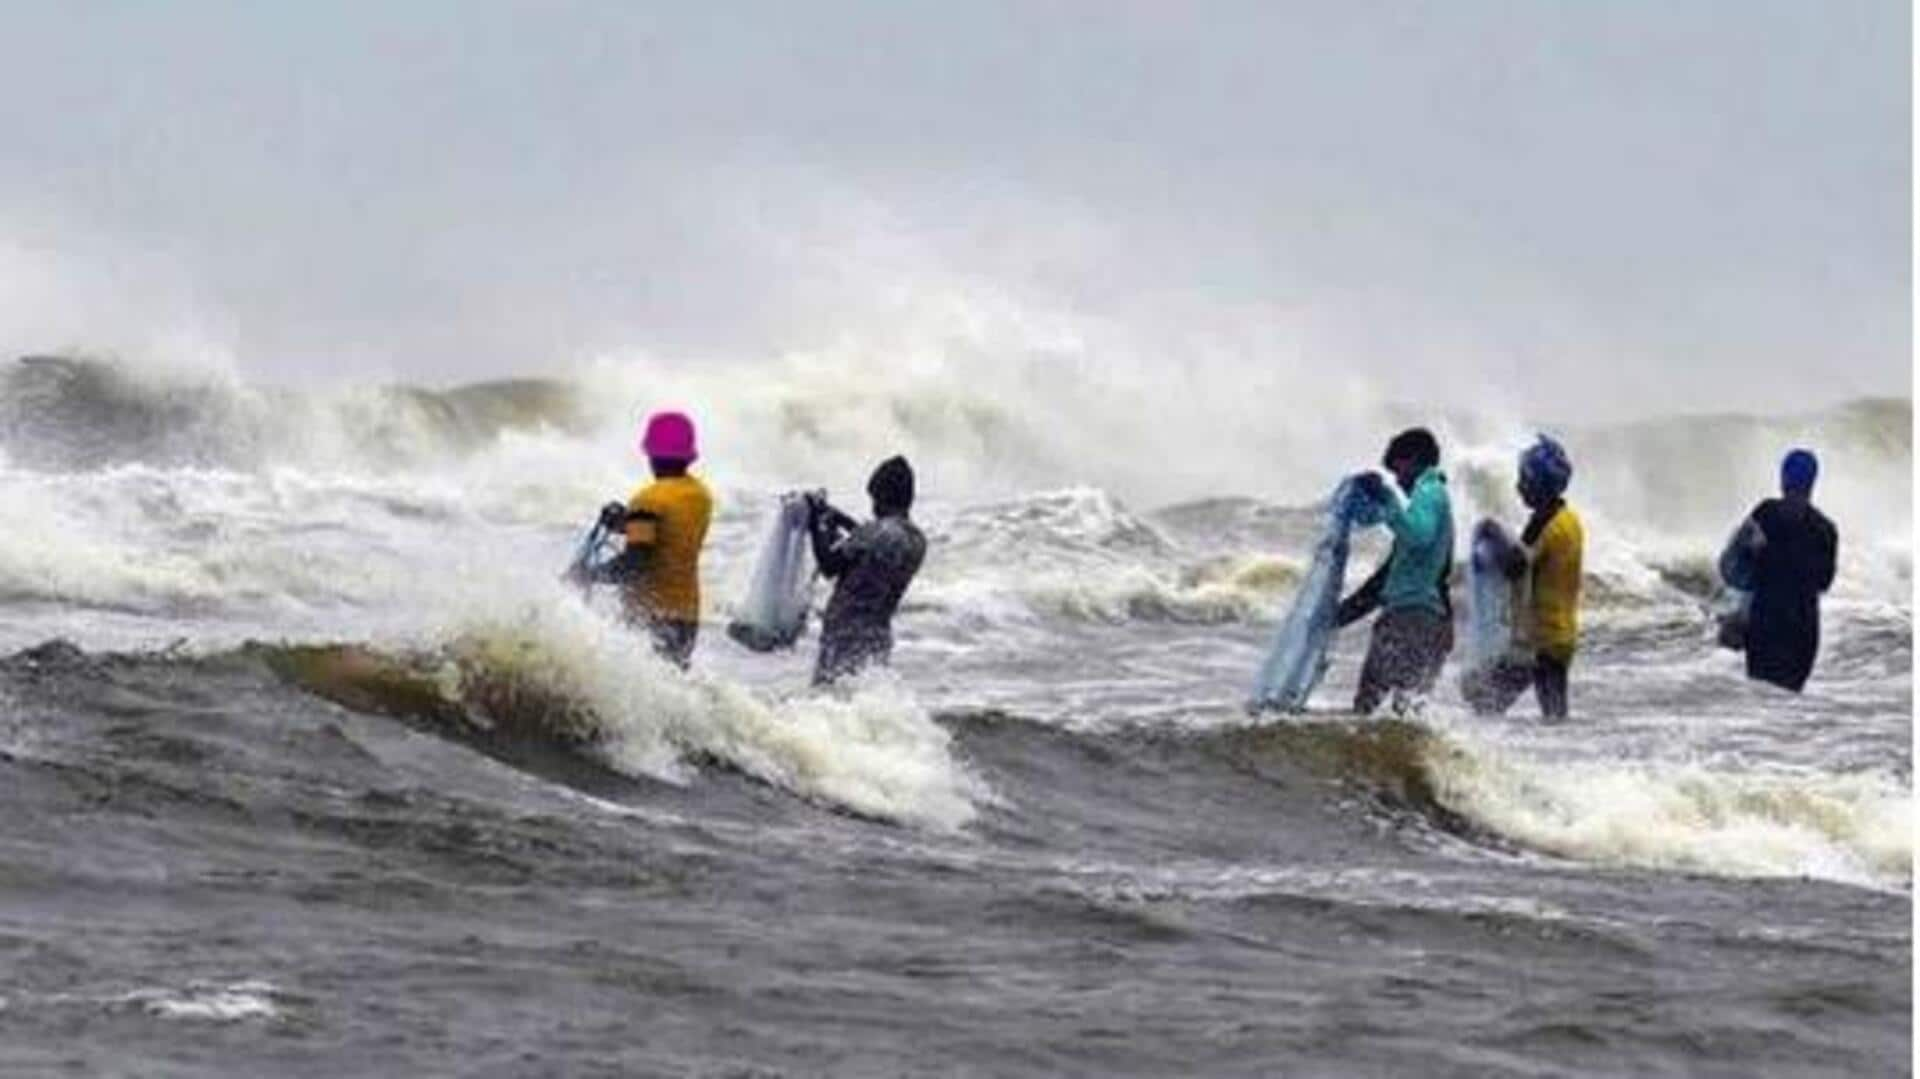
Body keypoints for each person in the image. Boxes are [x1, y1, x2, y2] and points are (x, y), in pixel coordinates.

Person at [1461, 435, 1585, 719]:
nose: (1519, 487)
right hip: (1561, 635)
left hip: (1540, 641)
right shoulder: (1569, 519)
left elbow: (1516, 566)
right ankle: (1559, 758)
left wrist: (1491, 532)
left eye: (1524, 479)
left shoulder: (1545, 524)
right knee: (1553, 712)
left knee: (1484, 700)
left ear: (1539, 484)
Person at [1336, 428, 1456, 715]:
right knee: (1407, 712)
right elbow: (1385, 581)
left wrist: (1388, 499)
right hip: (1430, 621)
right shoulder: (1435, 501)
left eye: (1399, 472)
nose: (1400, 483)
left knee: (1367, 706)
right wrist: (1341, 615)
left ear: (1413, 461)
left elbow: (1418, 534)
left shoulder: (1429, 492)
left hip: (1410, 619)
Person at [590, 411, 714, 668]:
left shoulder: (648, 500)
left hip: (650, 616)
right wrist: (625, 523)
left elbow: (635, 564)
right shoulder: (700, 496)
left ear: (651, 453)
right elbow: (669, 532)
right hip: (687, 615)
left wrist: (590, 574)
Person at [805, 455, 927, 686]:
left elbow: (829, 564)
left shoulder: (876, 533)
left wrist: (816, 522)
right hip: (878, 636)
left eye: (874, 499)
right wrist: (836, 517)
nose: (872, 506)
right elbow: (866, 543)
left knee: (831, 702)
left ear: (881, 496)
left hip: (845, 636)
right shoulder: (916, 539)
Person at [1730, 449, 1837, 692]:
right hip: (1803, 631)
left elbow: (1736, 562)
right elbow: (1824, 582)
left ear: (1783, 479)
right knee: (1789, 712)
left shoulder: (1765, 514)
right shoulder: (1825, 530)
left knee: (1763, 705)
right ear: (1812, 482)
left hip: (1765, 627)